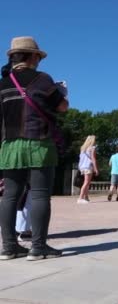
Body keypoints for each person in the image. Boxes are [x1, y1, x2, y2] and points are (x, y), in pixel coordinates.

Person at [0, 36, 69, 260]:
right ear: (31, 57)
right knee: (40, 195)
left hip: (9, 144)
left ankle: (9, 247)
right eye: (37, 57)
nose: (39, 61)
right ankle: (38, 247)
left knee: (9, 196)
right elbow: (62, 107)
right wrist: (61, 91)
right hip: (39, 141)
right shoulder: (42, 79)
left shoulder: (2, 84)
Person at [78, 135, 98, 204]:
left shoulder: (83, 148)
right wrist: (96, 169)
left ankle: (86, 197)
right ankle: (80, 198)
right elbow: (93, 159)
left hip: (82, 166)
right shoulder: (92, 148)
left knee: (86, 183)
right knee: (86, 182)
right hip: (88, 166)